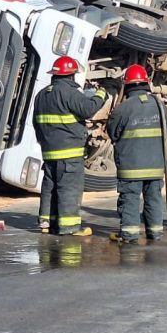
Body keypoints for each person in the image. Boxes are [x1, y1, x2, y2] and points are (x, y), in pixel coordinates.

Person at [33, 55, 109, 236]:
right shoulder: (69, 92)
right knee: (69, 188)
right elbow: (88, 109)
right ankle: (70, 227)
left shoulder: (42, 95)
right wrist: (101, 94)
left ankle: (46, 222)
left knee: (50, 187)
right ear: (71, 75)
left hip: (49, 152)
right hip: (70, 153)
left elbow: (37, 123)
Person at [107, 64, 167, 244]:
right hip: (155, 165)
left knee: (130, 199)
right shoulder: (160, 106)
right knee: (153, 198)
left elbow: (112, 133)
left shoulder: (123, 108)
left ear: (127, 85)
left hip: (131, 167)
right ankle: (155, 232)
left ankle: (129, 234)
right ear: (146, 83)